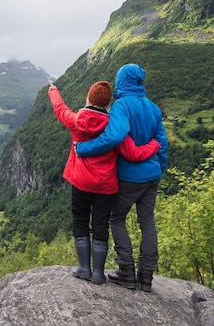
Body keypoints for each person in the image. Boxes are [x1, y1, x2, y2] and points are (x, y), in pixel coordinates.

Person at [48, 80, 160, 285]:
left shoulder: (77, 120)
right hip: (106, 185)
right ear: (108, 102)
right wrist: (154, 145)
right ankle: (99, 273)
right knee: (100, 224)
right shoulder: (113, 124)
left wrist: (53, 90)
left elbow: (60, 109)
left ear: (89, 98)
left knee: (80, 220)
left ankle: (84, 268)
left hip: (81, 181)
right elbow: (131, 152)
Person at [75, 64, 168, 292]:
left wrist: (84, 149)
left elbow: (115, 136)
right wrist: (158, 170)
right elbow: (162, 144)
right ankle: (146, 277)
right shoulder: (153, 108)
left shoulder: (121, 106)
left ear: (122, 80)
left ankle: (126, 271)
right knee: (147, 221)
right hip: (152, 176)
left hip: (128, 177)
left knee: (117, 219)